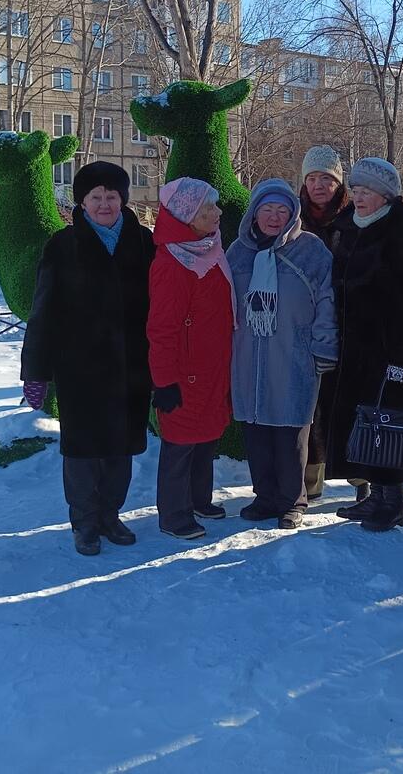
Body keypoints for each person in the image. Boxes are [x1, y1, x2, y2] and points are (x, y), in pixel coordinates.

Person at [21, 162, 155, 556]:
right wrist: (36, 370)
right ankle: (84, 523)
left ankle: (110, 515)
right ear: (82, 202)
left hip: (131, 366)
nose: (104, 204)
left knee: (121, 448)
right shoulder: (63, 246)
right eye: (96, 197)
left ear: (122, 199)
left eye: (111, 196)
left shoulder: (143, 242)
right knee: (82, 452)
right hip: (80, 369)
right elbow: (43, 311)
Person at [320, 156, 403, 532]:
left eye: (367, 191)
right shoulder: (349, 226)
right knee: (362, 423)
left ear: (386, 195)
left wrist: (402, 359)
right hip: (352, 347)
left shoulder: (402, 232)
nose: (359, 197)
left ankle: (394, 501)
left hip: (386, 350)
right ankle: (375, 496)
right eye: (356, 190)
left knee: (386, 422)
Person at [228, 178, 338, 529]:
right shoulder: (238, 252)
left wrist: (324, 345)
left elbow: (327, 301)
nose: (274, 217)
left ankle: (292, 500)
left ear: (293, 215)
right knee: (256, 429)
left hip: (294, 353)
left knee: (291, 431)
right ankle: (265, 496)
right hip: (248, 355)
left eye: (282, 210)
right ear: (254, 213)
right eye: (267, 210)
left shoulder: (311, 250)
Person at [148, 176, 235, 541]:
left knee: (206, 436)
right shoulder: (172, 262)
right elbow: (161, 328)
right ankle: (173, 514)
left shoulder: (209, 247)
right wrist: (164, 381)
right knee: (181, 443)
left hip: (212, 365)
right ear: (188, 216)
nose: (218, 212)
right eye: (208, 208)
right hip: (185, 372)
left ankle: (199, 499)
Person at [298, 145, 351, 501]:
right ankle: (310, 479)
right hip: (305, 327)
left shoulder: (355, 219)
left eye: (327, 179)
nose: (319, 185)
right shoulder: (293, 219)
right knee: (311, 405)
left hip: (349, 325)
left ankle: (361, 478)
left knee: (347, 401)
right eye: (312, 178)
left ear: (339, 183)